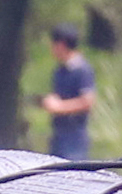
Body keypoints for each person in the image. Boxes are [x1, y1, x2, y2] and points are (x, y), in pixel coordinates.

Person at [38, 23, 97, 160]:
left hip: (74, 138)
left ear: (62, 45)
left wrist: (60, 107)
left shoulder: (82, 70)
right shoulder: (59, 71)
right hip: (58, 136)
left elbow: (88, 101)